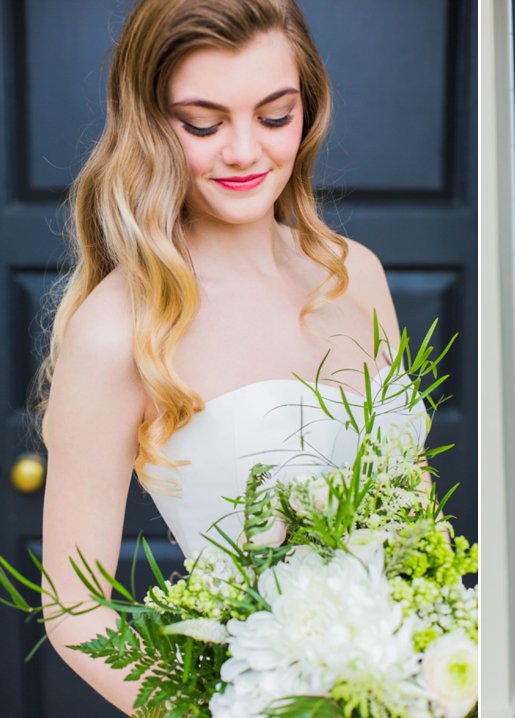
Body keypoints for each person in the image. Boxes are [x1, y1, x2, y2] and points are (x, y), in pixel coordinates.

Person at [35, 1, 426, 713]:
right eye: (204, 124)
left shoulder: (356, 273)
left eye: (275, 116)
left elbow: (415, 520)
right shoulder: (117, 329)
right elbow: (74, 611)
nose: (244, 151)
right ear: (149, 123)